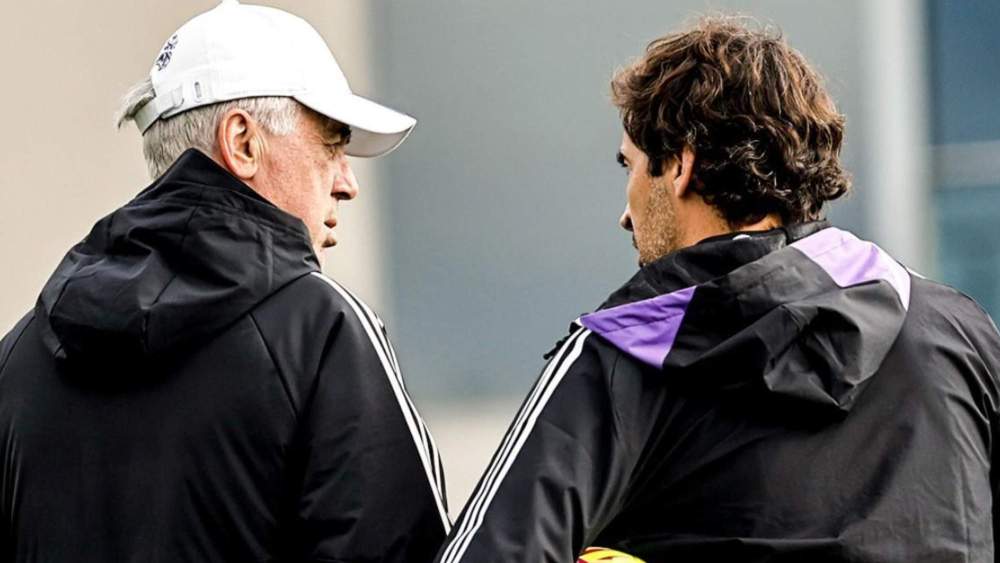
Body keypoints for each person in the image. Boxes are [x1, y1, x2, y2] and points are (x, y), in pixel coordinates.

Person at [436, 16, 1000, 562]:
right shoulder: (956, 331)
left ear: (680, 165)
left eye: (629, 166)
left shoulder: (620, 355)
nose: (625, 215)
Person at [0, 1, 449, 561]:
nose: (347, 182)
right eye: (331, 143)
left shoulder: (18, 357)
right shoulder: (322, 331)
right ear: (242, 142)